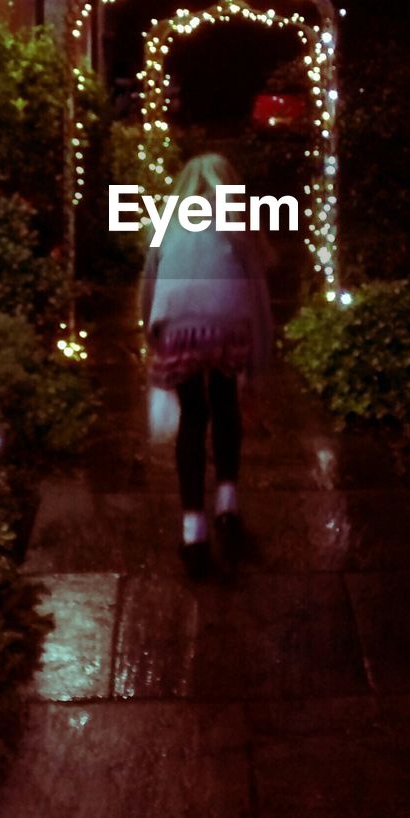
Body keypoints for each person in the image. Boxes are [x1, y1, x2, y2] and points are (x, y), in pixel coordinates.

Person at [140, 153, 273, 579]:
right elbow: (258, 300)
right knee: (225, 403)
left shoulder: (168, 223)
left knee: (193, 417)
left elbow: (149, 285)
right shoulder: (237, 224)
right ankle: (228, 502)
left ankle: (193, 529)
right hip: (228, 323)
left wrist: (152, 333)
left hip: (178, 326)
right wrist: (256, 366)